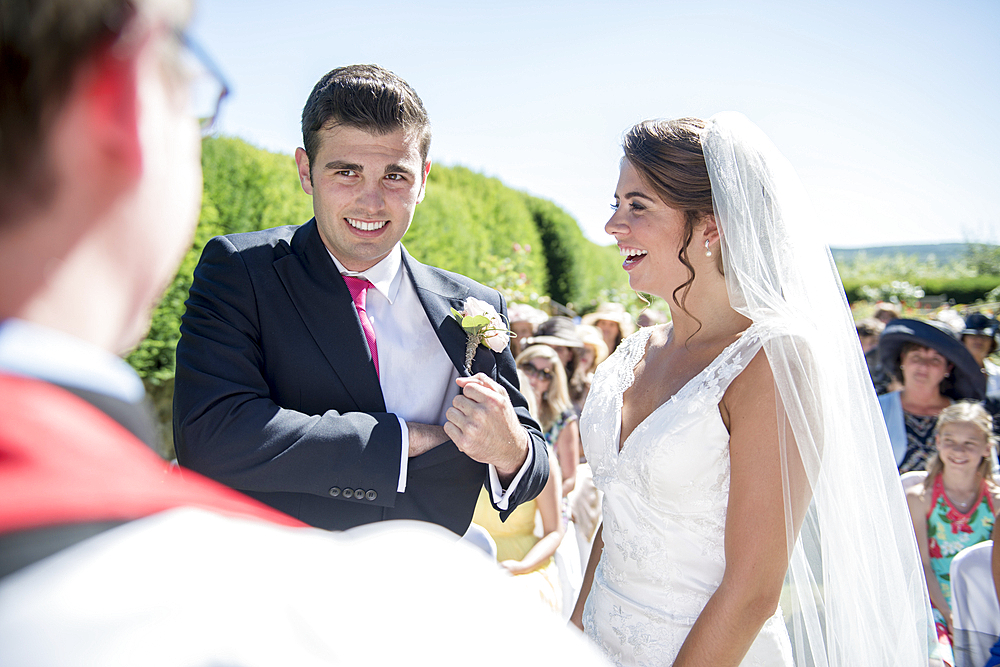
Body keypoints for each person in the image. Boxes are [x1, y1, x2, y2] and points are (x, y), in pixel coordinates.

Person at [569, 114, 932, 666]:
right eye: (616, 203)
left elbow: (754, 591)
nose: (613, 225)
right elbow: (618, 518)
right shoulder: (633, 354)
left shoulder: (772, 359)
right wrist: (570, 643)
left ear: (710, 224)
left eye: (637, 205)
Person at [172, 64, 549, 535]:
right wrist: (401, 440)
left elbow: (531, 458)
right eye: (346, 172)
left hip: (428, 583)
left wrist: (510, 449)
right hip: (276, 581)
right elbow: (212, 435)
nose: (371, 203)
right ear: (306, 171)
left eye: (395, 175)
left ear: (424, 179)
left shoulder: (474, 302)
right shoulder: (241, 271)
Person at [907, 402, 999, 663]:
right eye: (950, 440)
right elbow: (921, 565)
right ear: (937, 441)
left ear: (987, 448)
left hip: (986, 608)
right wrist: (949, 614)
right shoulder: (919, 498)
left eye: (970, 442)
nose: (959, 450)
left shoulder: (996, 503)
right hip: (936, 607)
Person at [472, 371, 566, 614]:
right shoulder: (469, 451)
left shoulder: (543, 461)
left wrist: (522, 566)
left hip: (523, 563)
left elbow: (554, 531)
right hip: (472, 557)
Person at [879, 319, 986, 473]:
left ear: (948, 368)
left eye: (935, 360)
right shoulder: (876, 411)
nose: (924, 366)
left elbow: (988, 473)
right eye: (916, 357)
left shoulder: (967, 417)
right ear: (903, 360)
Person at [517, 344, 581, 497]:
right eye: (529, 368)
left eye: (544, 374)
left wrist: (539, 504)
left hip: (546, 506)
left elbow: (569, 480)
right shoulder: (502, 405)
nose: (533, 378)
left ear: (552, 382)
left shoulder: (563, 420)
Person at [961, 312, 1000, 396]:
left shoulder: (998, 374)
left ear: (992, 343)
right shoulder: (950, 374)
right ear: (963, 340)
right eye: (972, 336)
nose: (978, 340)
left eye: (984, 336)